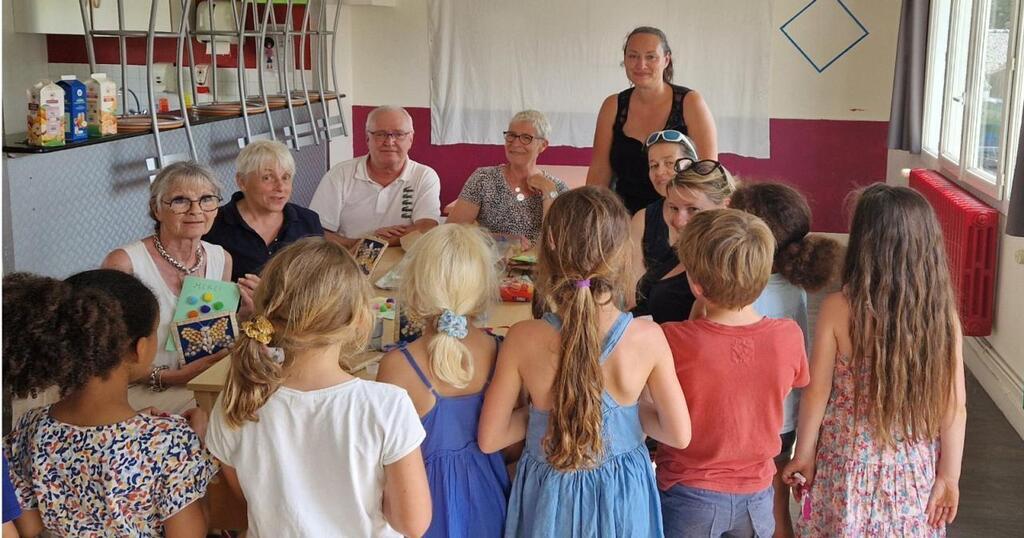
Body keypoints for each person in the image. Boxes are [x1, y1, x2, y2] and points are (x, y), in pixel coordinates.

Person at [478, 187, 691, 537]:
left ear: (549, 248)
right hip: (623, 496)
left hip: (550, 499)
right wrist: (623, 414)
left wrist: (553, 414)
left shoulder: (522, 337)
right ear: (623, 253)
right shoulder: (647, 338)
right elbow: (678, 434)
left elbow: (491, 438)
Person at [205, 237, 432, 537]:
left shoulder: (236, 401)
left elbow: (248, 496)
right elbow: (412, 524)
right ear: (361, 320)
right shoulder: (387, 405)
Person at [783, 184, 967, 536]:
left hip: (845, 470)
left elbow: (817, 392)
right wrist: (949, 476)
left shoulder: (838, 309)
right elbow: (954, 407)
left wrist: (803, 453)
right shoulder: (943, 319)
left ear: (863, 244)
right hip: (912, 475)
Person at [3, 270, 217, 537]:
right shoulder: (169, 442)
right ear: (140, 348)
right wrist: (197, 448)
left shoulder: (29, 428)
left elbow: (28, 526)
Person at [658, 209, 810, 537]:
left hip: (689, 495)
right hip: (756, 495)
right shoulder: (788, 335)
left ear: (697, 286)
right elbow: (789, 382)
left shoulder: (672, 339)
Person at [377, 224, 510, 538]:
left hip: (423, 511)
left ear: (414, 285)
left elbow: (382, 461)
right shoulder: (500, 351)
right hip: (492, 505)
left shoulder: (397, 367)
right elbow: (512, 448)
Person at [728, 182, 842, 538]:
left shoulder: (744, 290)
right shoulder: (794, 283)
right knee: (775, 503)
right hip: (784, 417)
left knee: (743, 502)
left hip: (750, 418)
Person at [102, 161, 234, 413]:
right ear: (156, 209)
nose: (196, 210)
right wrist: (173, 377)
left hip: (201, 385)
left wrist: (243, 317)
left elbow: (211, 340)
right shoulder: (124, 263)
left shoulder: (221, 258)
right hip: (136, 393)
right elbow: (105, 355)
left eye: (207, 199)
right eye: (180, 201)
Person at [587, 26, 718, 213]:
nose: (641, 65)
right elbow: (599, 172)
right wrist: (588, 215)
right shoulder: (612, 105)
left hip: (678, 217)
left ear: (666, 59)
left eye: (650, 57)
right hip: (621, 218)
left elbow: (708, 172)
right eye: (633, 56)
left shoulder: (691, 102)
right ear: (624, 60)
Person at [309, 105, 441, 247]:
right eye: (380, 134)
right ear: (367, 138)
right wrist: (360, 244)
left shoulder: (424, 176)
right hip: (348, 260)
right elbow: (316, 231)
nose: (389, 142)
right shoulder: (339, 175)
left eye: (398, 134)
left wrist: (375, 242)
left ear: (411, 138)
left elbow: (426, 228)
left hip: (403, 263)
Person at [631, 158, 736, 322]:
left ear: (725, 206)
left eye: (693, 209)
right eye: (673, 208)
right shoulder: (688, 248)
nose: (678, 221)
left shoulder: (726, 266)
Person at [204, 139, 323, 283]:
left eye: (286, 177)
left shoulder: (309, 221)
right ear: (242, 181)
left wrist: (268, 297)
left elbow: (319, 284)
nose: (280, 187)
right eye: (267, 177)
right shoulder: (212, 225)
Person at [446, 110, 569, 243]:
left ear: (543, 145)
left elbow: (558, 242)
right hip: (490, 261)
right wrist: (503, 240)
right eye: (511, 136)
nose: (515, 144)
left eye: (526, 138)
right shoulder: (483, 178)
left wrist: (549, 192)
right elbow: (451, 233)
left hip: (540, 263)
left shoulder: (557, 188)